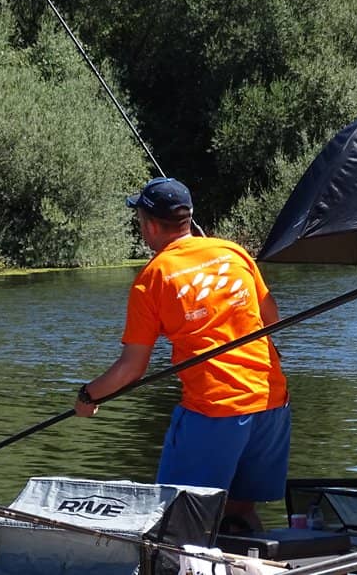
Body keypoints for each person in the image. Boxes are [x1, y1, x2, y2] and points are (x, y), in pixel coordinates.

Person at [73, 176, 290, 533]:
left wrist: (89, 395)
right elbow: (272, 320)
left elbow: (131, 369)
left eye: (140, 220)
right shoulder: (233, 252)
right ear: (187, 219)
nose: (140, 227)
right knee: (239, 515)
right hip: (272, 404)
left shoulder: (153, 277)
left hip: (215, 411)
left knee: (177, 522)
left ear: (152, 225)